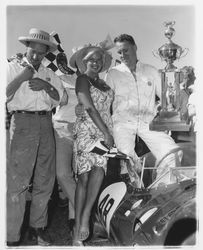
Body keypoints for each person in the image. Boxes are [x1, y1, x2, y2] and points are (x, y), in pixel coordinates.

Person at [6, 28, 66, 246]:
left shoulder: (49, 73)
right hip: (21, 122)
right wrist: (24, 76)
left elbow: (60, 99)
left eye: (41, 53)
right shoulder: (12, 67)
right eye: (33, 51)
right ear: (26, 47)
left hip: (45, 123)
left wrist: (46, 86)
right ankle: (11, 236)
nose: (36, 56)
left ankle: (37, 229)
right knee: (17, 182)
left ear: (46, 52)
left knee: (45, 179)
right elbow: (4, 94)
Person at [105, 34, 182, 185]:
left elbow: (168, 98)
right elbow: (105, 101)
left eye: (126, 50)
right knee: (127, 160)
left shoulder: (151, 71)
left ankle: (162, 188)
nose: (123, 55)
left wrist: (170, 107)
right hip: (122, 124)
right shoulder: (113, 73)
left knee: (173, 152)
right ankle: (133, 199)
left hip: (148, 123)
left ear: (135, 48)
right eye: (119, 52)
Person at [69, 44, 114, 246]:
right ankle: (79, 227)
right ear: (84, 62)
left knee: (99, 172)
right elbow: (87, 106)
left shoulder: (105, 84)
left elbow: (109, 108)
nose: (95, 62)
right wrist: (105, 131)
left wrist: (108, 132)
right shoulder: (82, 79)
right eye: (91, 59)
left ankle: (86, 216)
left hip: (105, 133)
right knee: (84, 178)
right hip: (88, 131)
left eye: (98, 59)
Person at [52, 68, 81, 230]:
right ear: (77, 62)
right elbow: (57, 100)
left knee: (78, 176)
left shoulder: (96, 82)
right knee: (62, 174)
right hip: (62, 128)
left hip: (83, 131)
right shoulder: (63, 78)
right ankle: (84, 211)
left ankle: (74, 218)